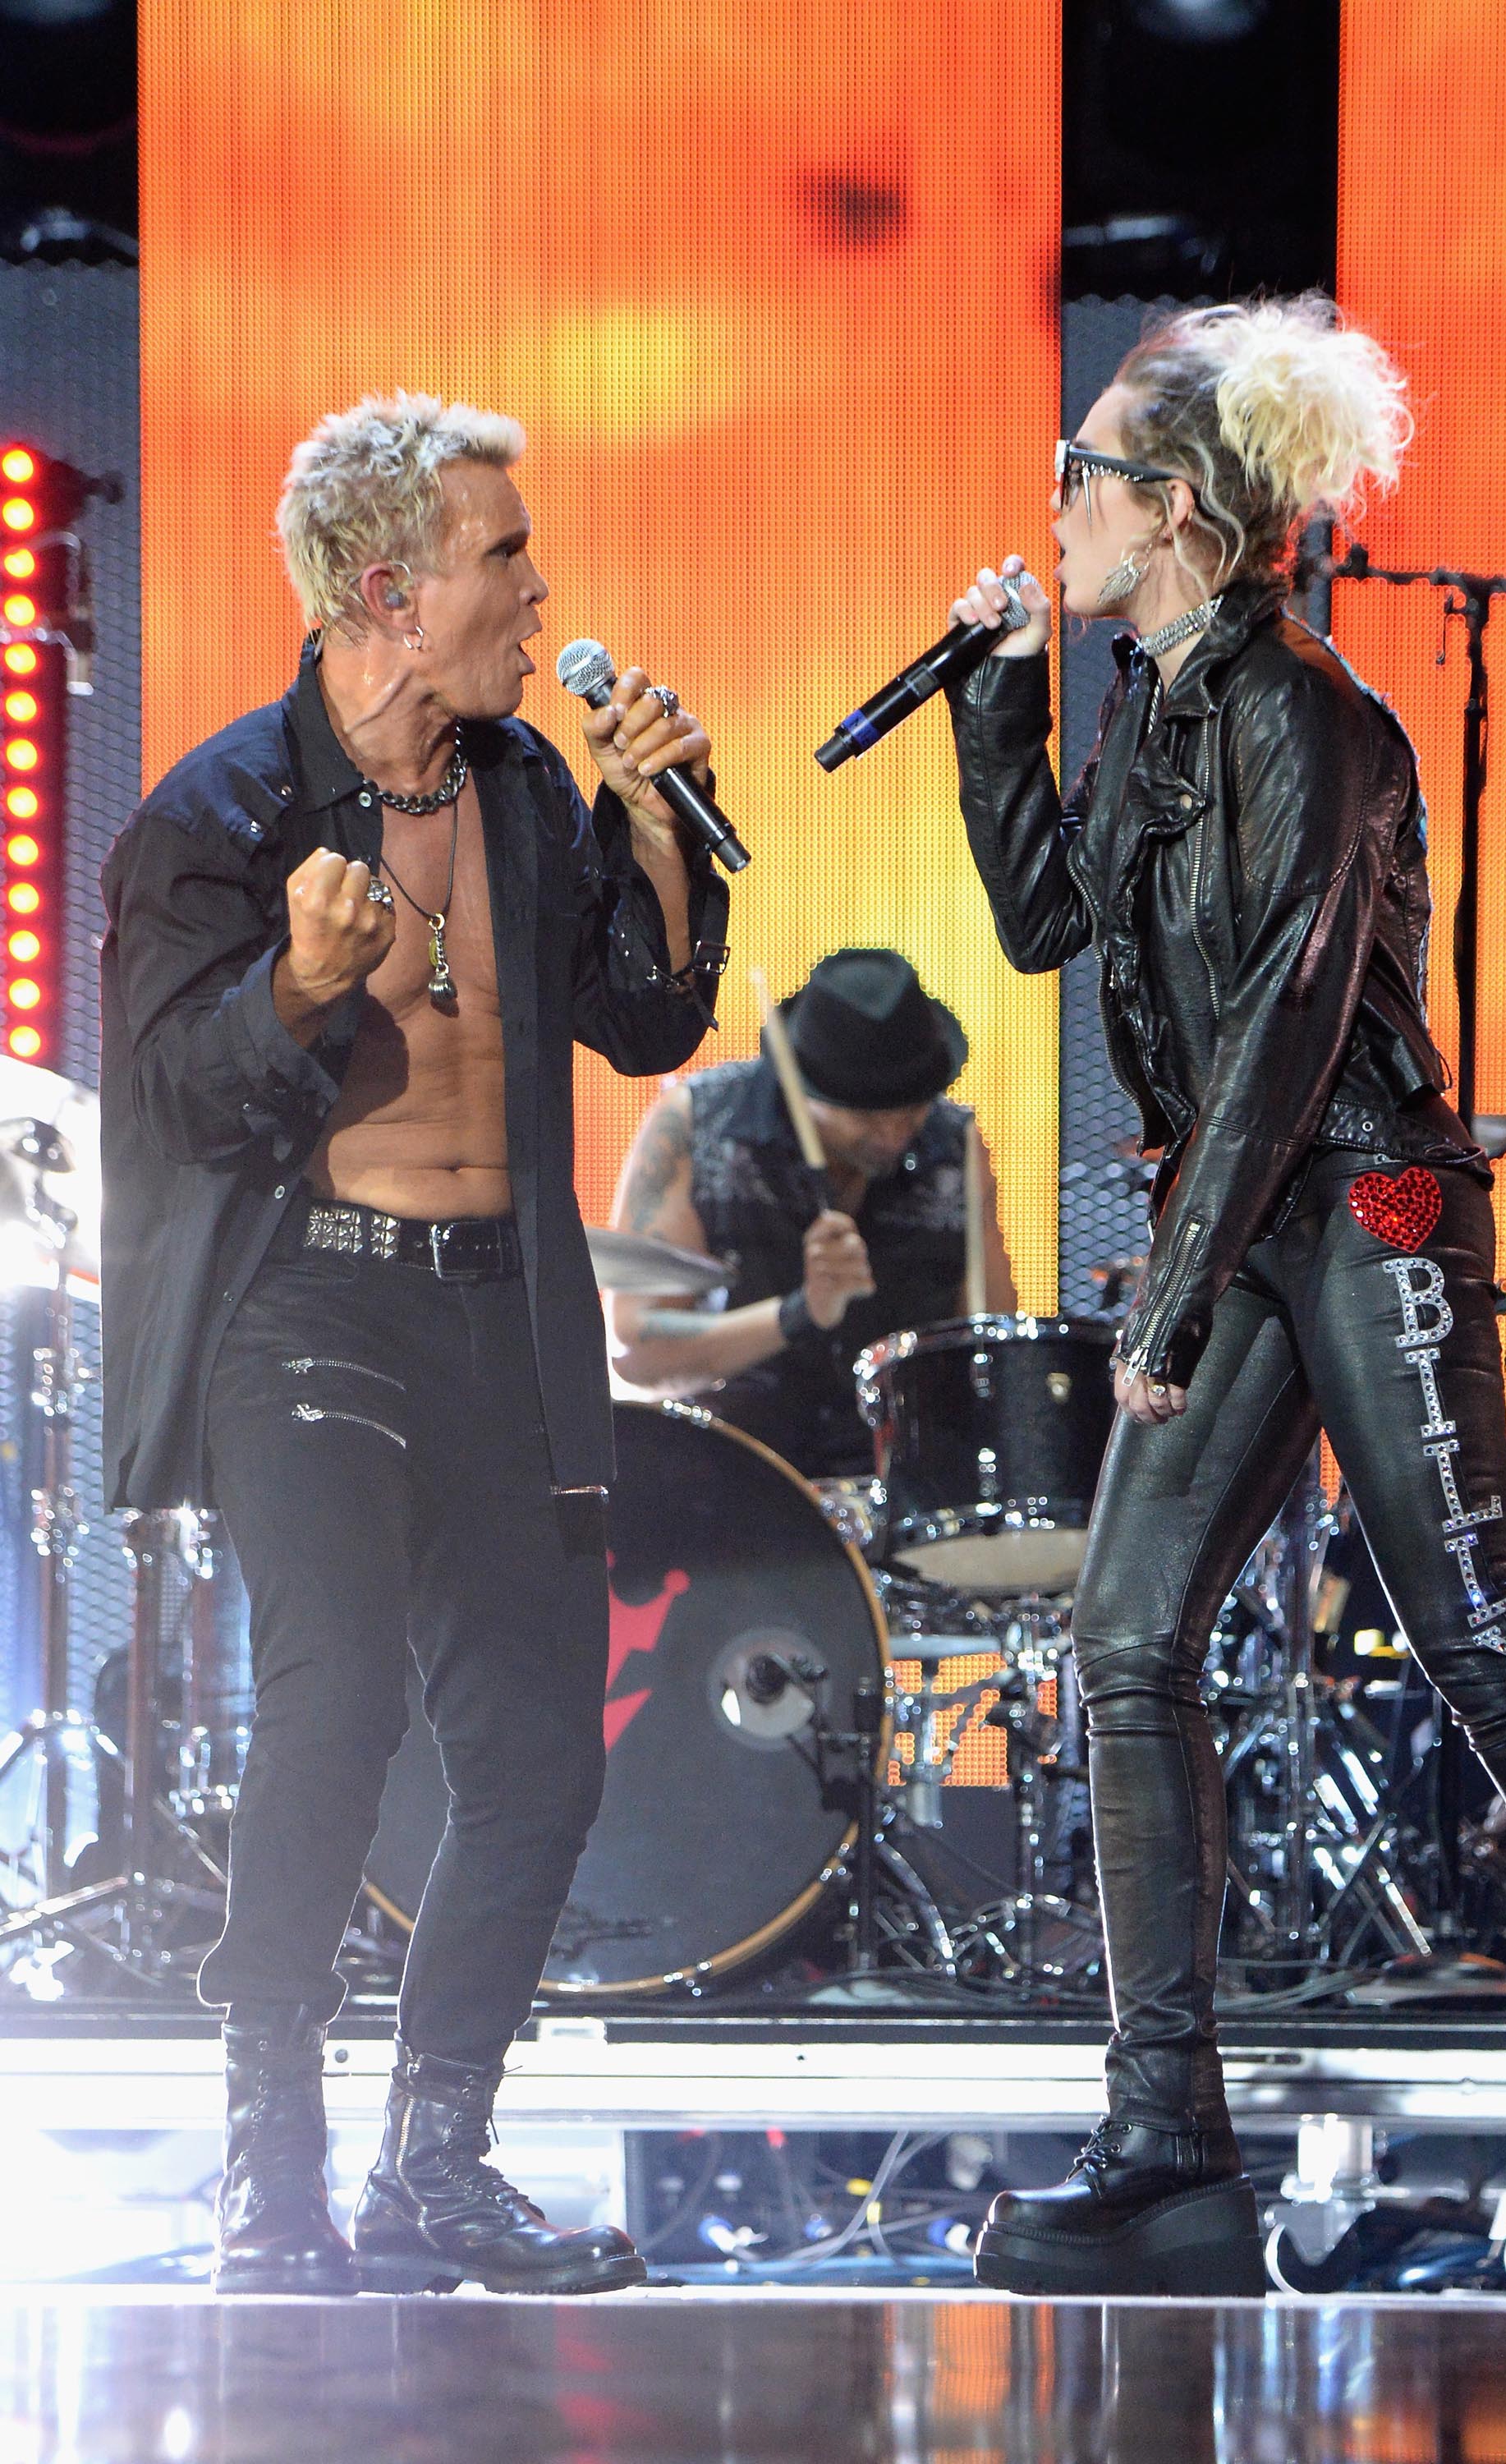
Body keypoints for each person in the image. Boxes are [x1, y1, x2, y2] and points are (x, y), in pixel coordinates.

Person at [943, 300, 1506, 2301]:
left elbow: (1281, 1023)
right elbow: (1040, 919)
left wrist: (1160, 1299)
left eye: (1080, 471)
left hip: (1370, 1208)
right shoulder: (1159, 700)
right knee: (1125, 1631)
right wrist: (1002, 704)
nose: (1053, 501)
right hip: (1255, 1223)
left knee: (1476, 1644)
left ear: (1167, 511)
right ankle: (1165, 2148)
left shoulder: (1307, 709)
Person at [99, 393, 728, 2296]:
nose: (540, 594)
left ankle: (434, 2158)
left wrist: (661, 827)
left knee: (540, 1752)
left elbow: (650, 1019)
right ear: (392, 588)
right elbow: (174, 1103)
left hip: (497, 1310)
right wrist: (295, 983)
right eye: (504, 556)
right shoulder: (214, 817)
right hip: (305, 1304)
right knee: (335, 1704)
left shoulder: (531, 790)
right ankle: (264, 2161)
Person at [608, 947, 1015, 1479]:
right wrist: (799, 1312)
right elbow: (637, 1350)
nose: (895, 1132)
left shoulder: (954, 1144)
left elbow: (995, 1348)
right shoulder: (698, 1125)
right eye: (868, 1115)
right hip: (738, 1474)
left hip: (903, 1477)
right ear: (806, 1091)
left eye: (912, 1107)